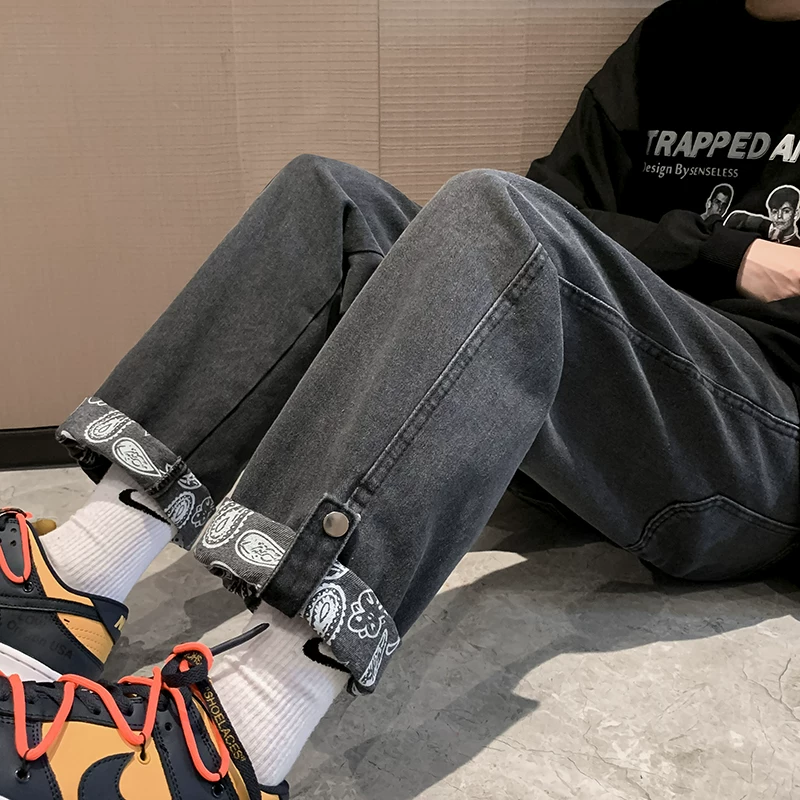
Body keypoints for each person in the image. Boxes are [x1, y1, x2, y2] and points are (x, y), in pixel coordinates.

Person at [1, 0, 800, 797]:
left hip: (762, 433)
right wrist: (723, 254)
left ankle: (238, 732)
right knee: (333, 198)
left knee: (501, 220)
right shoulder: (673, 39)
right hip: (610, 383)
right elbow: (562, 205)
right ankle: (77, 578)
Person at [726, 184, 800, 245]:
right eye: (775, 211)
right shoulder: (764, 229)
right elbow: (736, 219)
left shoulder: (796, 245)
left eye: (786, 211)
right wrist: (768, 228)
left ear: (796, 214)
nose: (779, 216)